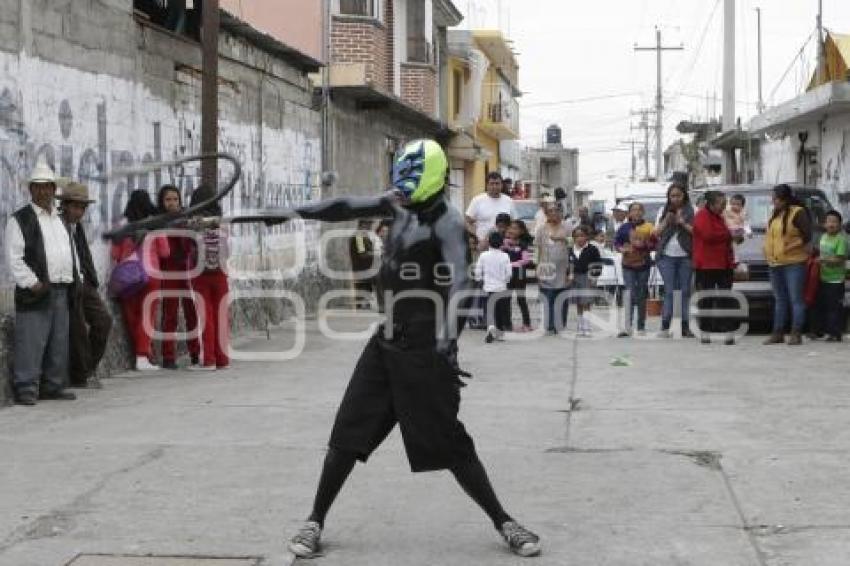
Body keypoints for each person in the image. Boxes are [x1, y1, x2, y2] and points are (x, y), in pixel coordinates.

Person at [264, 140, 540, 558]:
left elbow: (461, 285)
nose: (402, 192)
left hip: (425, 349)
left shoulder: (447, 221)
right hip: (386, 341)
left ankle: (505, 522)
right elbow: (344, 205)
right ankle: (314, 521)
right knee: (346, 436)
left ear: (434, 179)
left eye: (412, 184)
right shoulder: (396, 204)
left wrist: (447, 346)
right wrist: (294, 211)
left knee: (450, 443)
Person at [6, 158, 80, 405]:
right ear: (31, 189)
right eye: (38, 186)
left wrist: (74, 276)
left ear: (53, 189)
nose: (43, 191)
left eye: (47, 186)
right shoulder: (20, 219)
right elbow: (14, 257)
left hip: (61, 286)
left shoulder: (59, 218)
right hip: (36, 289)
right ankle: (27, 386)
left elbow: (69, 250)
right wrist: (31, 282)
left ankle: (53, 385)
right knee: (31, 340)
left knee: (58, 340)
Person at [60, 182, 114, 387]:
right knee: (78, 330)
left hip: (85, 283)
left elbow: (84, 256)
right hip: (68, 285)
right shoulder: (56, 226)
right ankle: (81, 375)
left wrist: (91, 281)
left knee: (104, 321)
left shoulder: (77, 227)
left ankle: (88, 368)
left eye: (82, 207)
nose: (79, 211)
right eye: (75, 206)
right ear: (64, 205)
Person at [112, 189, 170, 371]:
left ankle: (144, 354)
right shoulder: (156, 225)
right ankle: (142, 356)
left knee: (132, 316)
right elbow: (165, 252)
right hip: (151, 275)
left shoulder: (121, 226)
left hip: (127, 277)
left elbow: (115, 254)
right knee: (147, 316)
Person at [157, 184, 200, 369]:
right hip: (169, 270)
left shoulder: (186, 218)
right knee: (170, 314)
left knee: (192, 312)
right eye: (168, 200)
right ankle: (168, 356)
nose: (172, 203)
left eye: (175, 199)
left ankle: (196, 353)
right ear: (162, 202)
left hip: (187, 268)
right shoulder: (159, 221)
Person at [763, 184, 812, 346]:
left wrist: (790, 247)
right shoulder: (776, 214)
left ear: (785, 199)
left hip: (794, 263)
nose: (773, 201)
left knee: (796, 299)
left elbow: (807, 235)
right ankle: (778, 332)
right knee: (780, 299)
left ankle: (796, 333)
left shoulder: (798, 212)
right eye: (773, 198)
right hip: (775, 263)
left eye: (776, 198)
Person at [188, 186, 231, 370]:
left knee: (207, 317)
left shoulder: (193, 223)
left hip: (200, 273)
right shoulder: (222, 222)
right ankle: (222, 359)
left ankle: (209, 360)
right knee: (221, 315)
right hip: (220, 272)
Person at [692, 191, 737, 345]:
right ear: (711, 204)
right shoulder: (701, 215)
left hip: (723, 263)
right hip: (706, 264)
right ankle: (705, 331)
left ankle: (728, 331)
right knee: (706, 299)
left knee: (726, 299)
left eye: (725, 203)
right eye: (721, 203)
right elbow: (708, 235)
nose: (724, 206)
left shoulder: (720, 217)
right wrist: (729, 234)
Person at [653, 183, 695, 338]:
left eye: (678, 195)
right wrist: (666, 221)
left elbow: (697, 232)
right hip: (666, 256)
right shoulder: (662, 211)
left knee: (685, 291)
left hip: (686, 255)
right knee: (670, 291)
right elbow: (656, 233)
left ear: (684, 196)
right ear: (668, 197)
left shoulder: (692, 211)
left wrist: (682, 223)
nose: (675, 198)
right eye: (672, 196)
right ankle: (665, 325)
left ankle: (685, 326)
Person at [614, 202, 655, 337]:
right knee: (629, 293)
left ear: (643, 212)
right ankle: (627, 326)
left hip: (644, 264)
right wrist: (622, 249)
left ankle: (641, 325)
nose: (636, 212)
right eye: (634, 210)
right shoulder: (624, 227)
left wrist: (644, 244)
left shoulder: (649, 226)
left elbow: (655, 243)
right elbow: (617, 243)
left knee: (641, 294)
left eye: (639, 210)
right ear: (629, 213)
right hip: (628, 265)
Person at [536, 203, 571, 335]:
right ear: (546, 214)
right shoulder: (541, 229)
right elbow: (537, 249)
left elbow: (575, 242)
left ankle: (560, 324)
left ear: (561, 213)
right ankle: (549, 324)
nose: (554, 213)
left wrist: (563, 238)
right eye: (550, 211)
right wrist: (537, 268)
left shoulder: (567, 227)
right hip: (546, 266)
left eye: (557, 211)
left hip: (563, 267)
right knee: (547, 296)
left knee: (561, 296)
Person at [811, 210, 847, 341]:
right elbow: (821, 253)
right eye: (829, 221)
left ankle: (835, 333)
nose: (831, 224)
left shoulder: (841, 240)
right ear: (824, 223)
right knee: (821, 306)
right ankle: (820, 331)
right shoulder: (823, 237)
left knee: (834, 308)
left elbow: (840, 259)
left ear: (840, 224)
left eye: (834, 221)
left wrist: (823, 260)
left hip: (835, 281)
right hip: (822, 278)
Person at [475, 231, 513, 343]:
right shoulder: (505, 256)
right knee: (500, 312)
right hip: (501, 288)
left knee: (489, 310)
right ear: (502, 243)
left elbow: (478, 271)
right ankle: (500, 334)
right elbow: (509, 273)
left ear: (488, 242)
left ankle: (491, 327)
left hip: (488, 288)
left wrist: (479, 281)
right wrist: (505, 282)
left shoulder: (483, 255)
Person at [465, 172, 516, 251]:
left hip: (504, 247)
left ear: (502, 185)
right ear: (487, 185)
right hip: (483, 247)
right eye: (491, 184)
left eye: (497, 183)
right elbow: (468, 222)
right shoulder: (477, 200)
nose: (494, 186)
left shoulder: (509, 201)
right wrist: (477, 239)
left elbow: (514, 223)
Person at [569, 225, 601, 337]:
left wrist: (594, 277)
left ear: (587, 237)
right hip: (575, 278)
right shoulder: (570, 249)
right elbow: (569, 264)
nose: (579, 238)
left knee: (586, 302)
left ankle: (587, 327)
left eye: (582, 235)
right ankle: (580, 326)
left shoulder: (592, 249)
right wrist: (569, 274)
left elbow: (597, 264)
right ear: (573, 238)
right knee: (578, 302)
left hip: (587, 277)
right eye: (577, 236)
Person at [503, 220, 534, 332]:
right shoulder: (505, 242)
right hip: (508, 274)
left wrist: (512, 264)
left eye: (515, 228)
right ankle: (507, 323)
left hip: (520, 273)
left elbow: (526, 260)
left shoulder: (524, 244)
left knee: (521, 298)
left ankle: (527, 323)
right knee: (506, 298)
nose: (512, 230)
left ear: (521, 231)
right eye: (511, 228)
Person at [349, 219, 376, 309]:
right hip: (362, 269)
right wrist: (376, 253)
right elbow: (362, 253)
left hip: (366, 269)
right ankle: (362, 306)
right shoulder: (359, 237)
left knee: (366, 289)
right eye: (369, 224)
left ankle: (364, 304)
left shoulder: (363, 236)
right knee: (362, 290)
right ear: (363, 224)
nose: (370, 227)